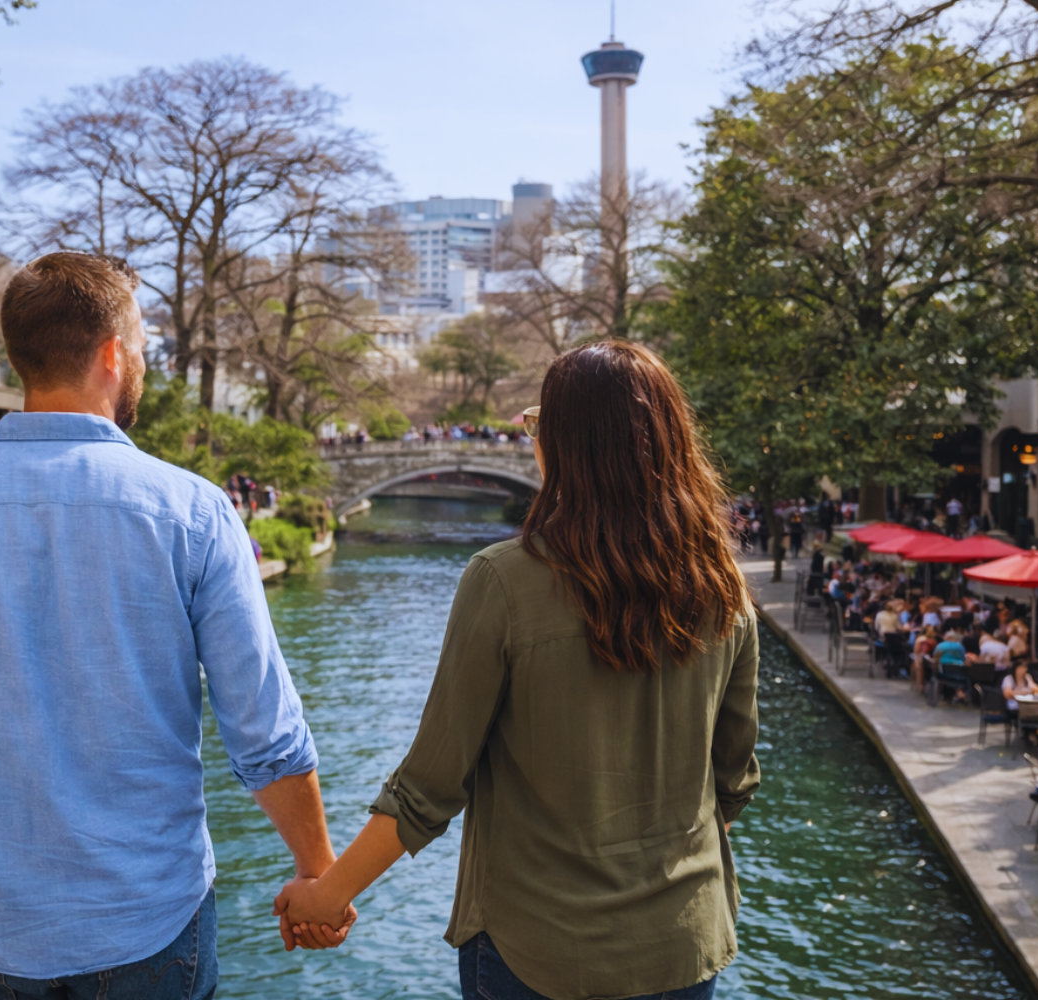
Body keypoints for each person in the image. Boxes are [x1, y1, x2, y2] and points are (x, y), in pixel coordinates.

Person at [0, 253, 339, 995]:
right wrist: (318, 874)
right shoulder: (195, 512)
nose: (141, 361)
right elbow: (264, 732)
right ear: (114, 354)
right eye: (140, 345)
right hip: (149, 918)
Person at [274, 341, 761, 1000]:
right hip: (681, 945)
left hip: (536, 949)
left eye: (538, 426)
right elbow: (731, 782)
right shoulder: (722, 588)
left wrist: (325, 895)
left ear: (562, 450)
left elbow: (430, 787)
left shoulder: (504, 581)